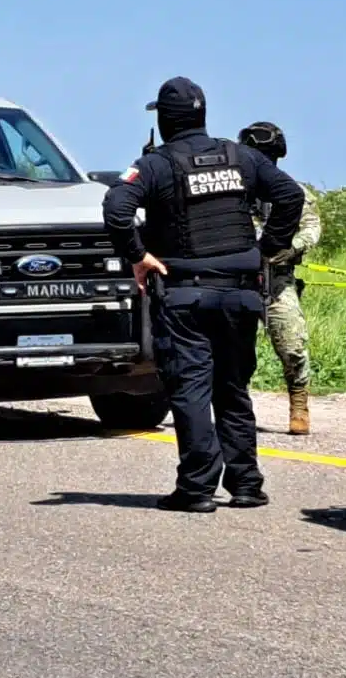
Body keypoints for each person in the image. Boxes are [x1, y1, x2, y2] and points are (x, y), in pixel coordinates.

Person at [102, 77, 303, 512]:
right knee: (232, 387)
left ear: (163, 119)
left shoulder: (155, 164)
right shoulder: (241, 156)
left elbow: (116, 209)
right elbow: (290, 195)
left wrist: (138, 256)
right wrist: (266, 249)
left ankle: (196, 489)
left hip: (186, 296)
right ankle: (247, 485)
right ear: (203, 114)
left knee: (192, 389)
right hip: (241, 294)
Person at [239, 120, 322, 434]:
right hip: (240, 278)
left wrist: (291, 249)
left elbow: (311, 229)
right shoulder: (235, 192)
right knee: (233, 348)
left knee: (292, 345)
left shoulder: (294, 191)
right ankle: (236, 406)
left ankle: (299, 403)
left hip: (277, 278)